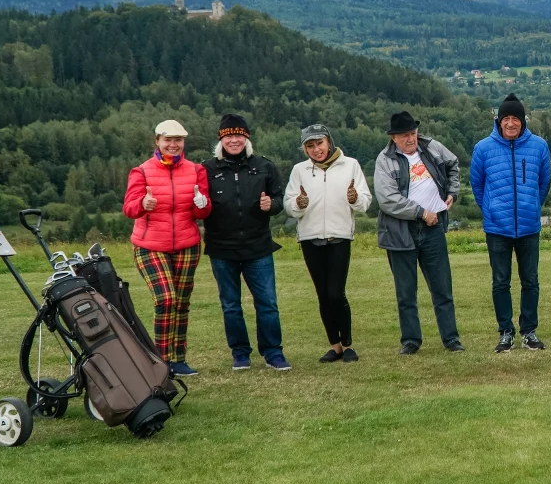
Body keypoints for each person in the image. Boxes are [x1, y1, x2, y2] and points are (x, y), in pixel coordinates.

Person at [121, 119, 212, 376]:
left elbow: (203, 212)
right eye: (167, 140)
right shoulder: (142, 171)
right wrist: (143, 204)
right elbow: (129, 208)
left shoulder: (196, 171)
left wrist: (201, 203)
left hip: (187, 244)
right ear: (157, 142)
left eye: (178, 140)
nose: (173, 145)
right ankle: (161, 361)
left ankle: (178, 358)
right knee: (166, 299)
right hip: (150, 245)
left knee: (181, 303)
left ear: (184, 143)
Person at [201, 114, 290, 371]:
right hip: (221, 248)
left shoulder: (264, 166)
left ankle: (273, 352)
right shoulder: (207, 169)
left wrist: (270, 205)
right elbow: (199, 203)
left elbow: (279, 199)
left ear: (247, 138)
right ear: (221, 140)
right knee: (230, 305)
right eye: (228, 136)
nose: (234, 140)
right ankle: (240, 353)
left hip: (258, 247)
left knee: (267, 303)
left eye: (239, 135)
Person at [375, 110, 464, 355]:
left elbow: (453, 164)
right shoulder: (384, 160)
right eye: (404, 135)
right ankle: (411, 340)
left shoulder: (432, 148)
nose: (410, 139)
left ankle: (451, 338)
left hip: (434, 229)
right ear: (393, 138)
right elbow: (387, 199)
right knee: (406, 291)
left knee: (442, 287)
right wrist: (421, 212)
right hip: (400, 232)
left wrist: (453, 192)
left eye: (413, 133)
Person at [470, 93, 551, 353]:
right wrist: (490, 209)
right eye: (506, 118)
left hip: (529, 226)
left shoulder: (539, 146)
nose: (510, 123)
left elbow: (544, 183)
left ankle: (529, 331)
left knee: (530, 281)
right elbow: (477, 184)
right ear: (498, 121)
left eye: (515, 118)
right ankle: (505, 332)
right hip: (497, 227)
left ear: (522, 121)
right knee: (500, 281)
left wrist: (531, 206)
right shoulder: (483, 148)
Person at [283, 124, 372, 364]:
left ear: (328, 142)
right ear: (305, 149)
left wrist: (354, 199)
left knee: (336, 293)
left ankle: (348, 344)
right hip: (311, 239)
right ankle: (335, 346)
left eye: (319, 143)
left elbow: (365, 201)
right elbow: (288, 204)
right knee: (322, 294)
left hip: (340, 236)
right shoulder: (299, 170)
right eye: (310, 146)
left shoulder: (350, 164)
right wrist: (299, 204)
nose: (316, 149)